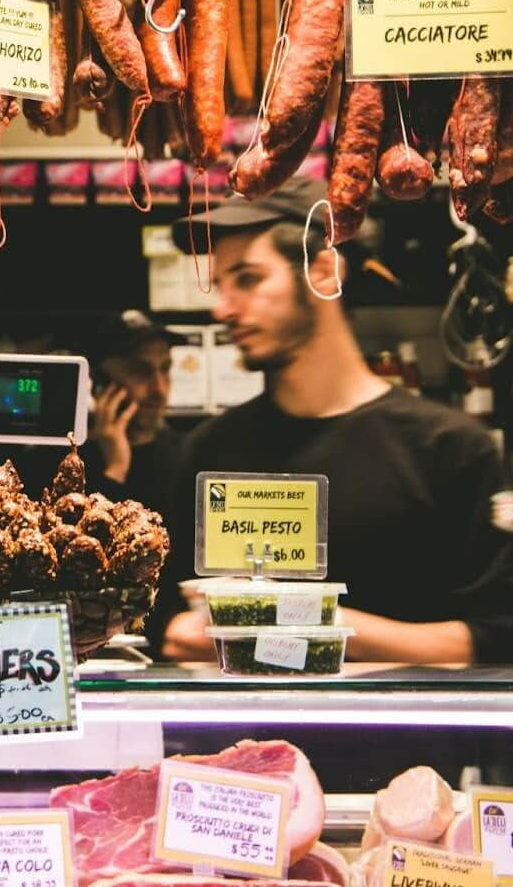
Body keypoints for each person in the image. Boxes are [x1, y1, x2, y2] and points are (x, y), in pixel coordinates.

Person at [157, 177, 513, 664]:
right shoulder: (206, 452)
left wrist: (314, 623)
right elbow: (171, 631)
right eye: (221, 285)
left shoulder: (450, 449)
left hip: (401, 739)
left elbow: (493, 640)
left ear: (324, 272)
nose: (223, 308)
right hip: (239, 740)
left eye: (248, 278)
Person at [81, 310, 184, 508]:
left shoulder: (187, 455)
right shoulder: (71, 464)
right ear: (100, 383)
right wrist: (116, 469)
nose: (159, 389)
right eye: (140, 371)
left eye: (165, 368)